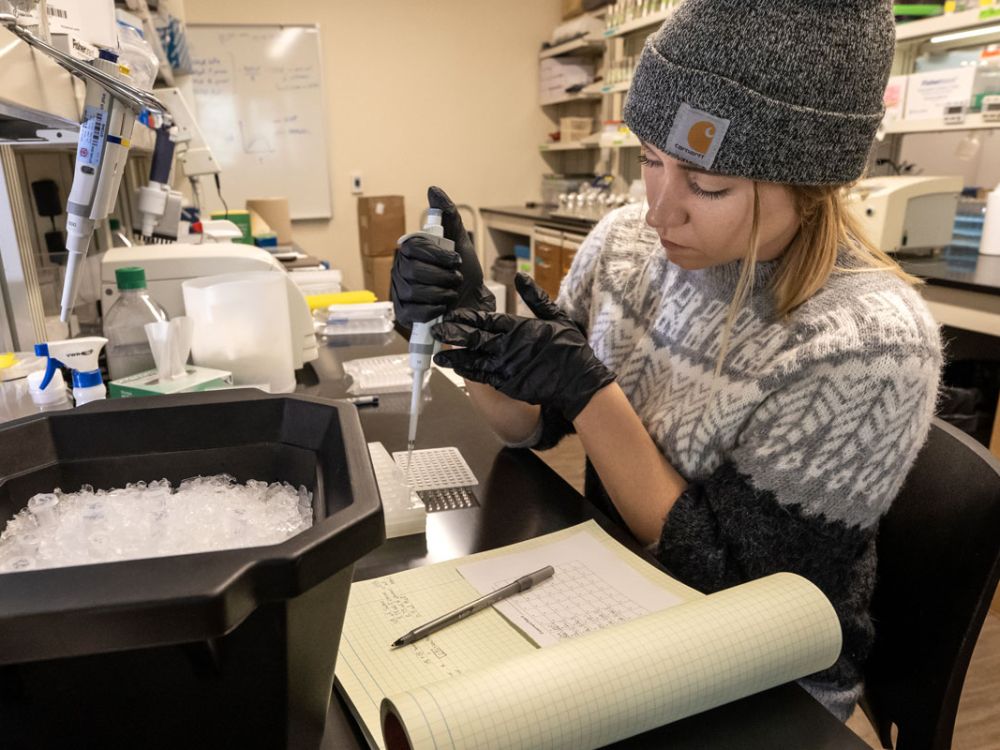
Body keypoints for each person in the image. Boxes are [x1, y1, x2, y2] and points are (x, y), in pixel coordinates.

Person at [390, 0, 941, 721]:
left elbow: (735, 591)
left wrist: (590, 394)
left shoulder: (868, 343)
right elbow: (529, 426)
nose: (658, 212)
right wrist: (466, 337)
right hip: (611, 604)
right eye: (650, 160)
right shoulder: (625, 246)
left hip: (762, 689)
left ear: (811, 188)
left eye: (708, 186)